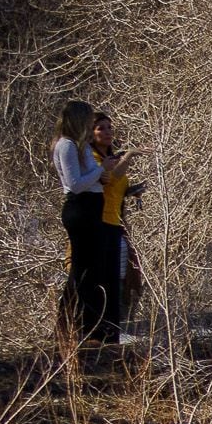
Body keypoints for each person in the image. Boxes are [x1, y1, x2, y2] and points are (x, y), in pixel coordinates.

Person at [52, 101, 121, 351]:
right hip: (80, 207)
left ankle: (91, 325)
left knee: (93, 269)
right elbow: (75, 184)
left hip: (93, 206)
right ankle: (72, 324)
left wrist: (107, 171)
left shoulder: (79, 146)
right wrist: (102, 169)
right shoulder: (67, 145)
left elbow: (100, 179)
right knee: (81, 269)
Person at [91, 109, 140, 348]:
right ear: (90, 133)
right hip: (99, 222)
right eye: (101, 128)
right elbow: (106, 180)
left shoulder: (109, 157)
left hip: (116, 222)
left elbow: (117, 186)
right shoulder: (93, 159)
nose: (107, 132)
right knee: (101, 278)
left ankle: (112, 331)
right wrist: (128, 156)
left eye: (110, 127)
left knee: (119, 278)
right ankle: (95, 331)